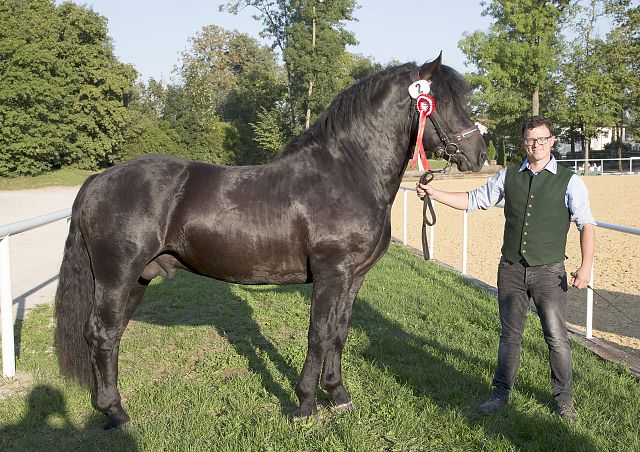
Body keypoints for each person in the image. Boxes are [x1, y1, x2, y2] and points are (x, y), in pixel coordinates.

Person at [416, 115, 596, 421]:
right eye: (530, 139)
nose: (536, 145)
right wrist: (434, 193)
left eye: (542, 139)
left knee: (556, 337)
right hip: (511, 269)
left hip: (549, 272)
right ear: (523, 142)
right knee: (509, 336)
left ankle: (564, 400)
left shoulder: (570, 181)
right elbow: (474, 200)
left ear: (552, 141)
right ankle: (500, 394)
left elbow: (586, 224)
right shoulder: (508, 176)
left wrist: (586, 266)